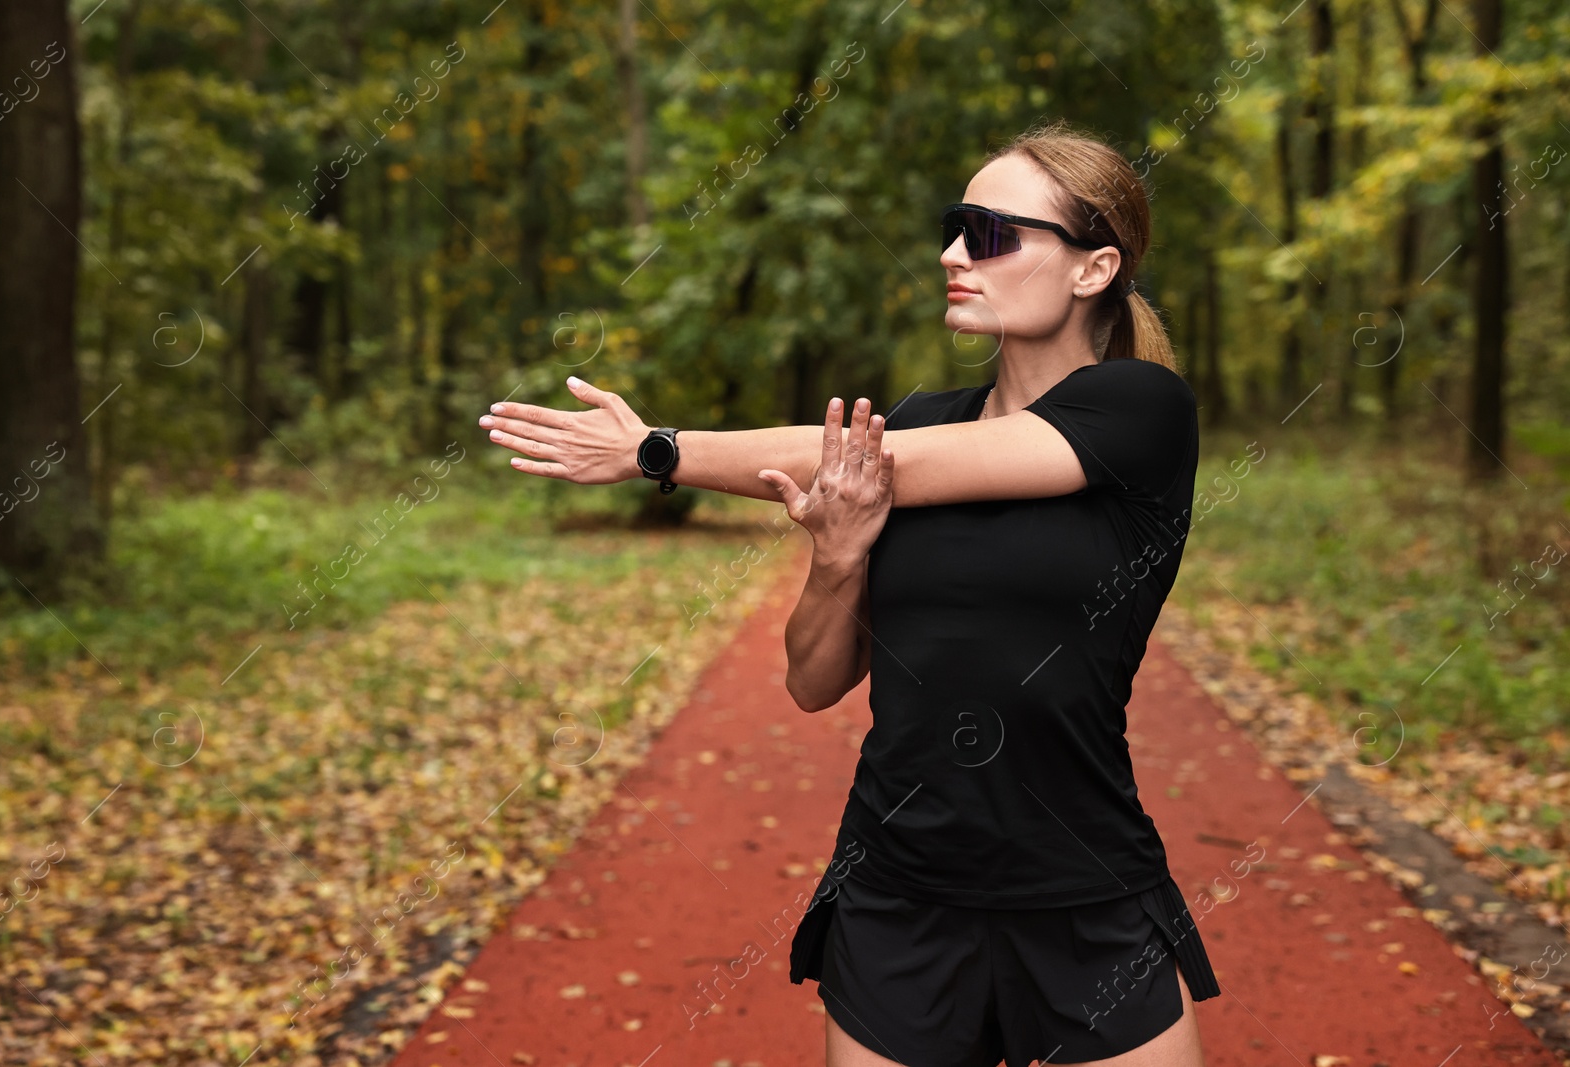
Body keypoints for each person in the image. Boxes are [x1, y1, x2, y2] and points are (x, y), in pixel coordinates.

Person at [478, 120, 1219, 1067]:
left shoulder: (1143, 411)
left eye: (993, 233)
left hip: (1084, 886)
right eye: (958, 226)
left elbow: (872, 461)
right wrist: (835, 559)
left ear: (1092, 268)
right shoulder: (916, 426)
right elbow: (815, 680)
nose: (955, 253)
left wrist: (655, 451)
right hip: (899, 889)